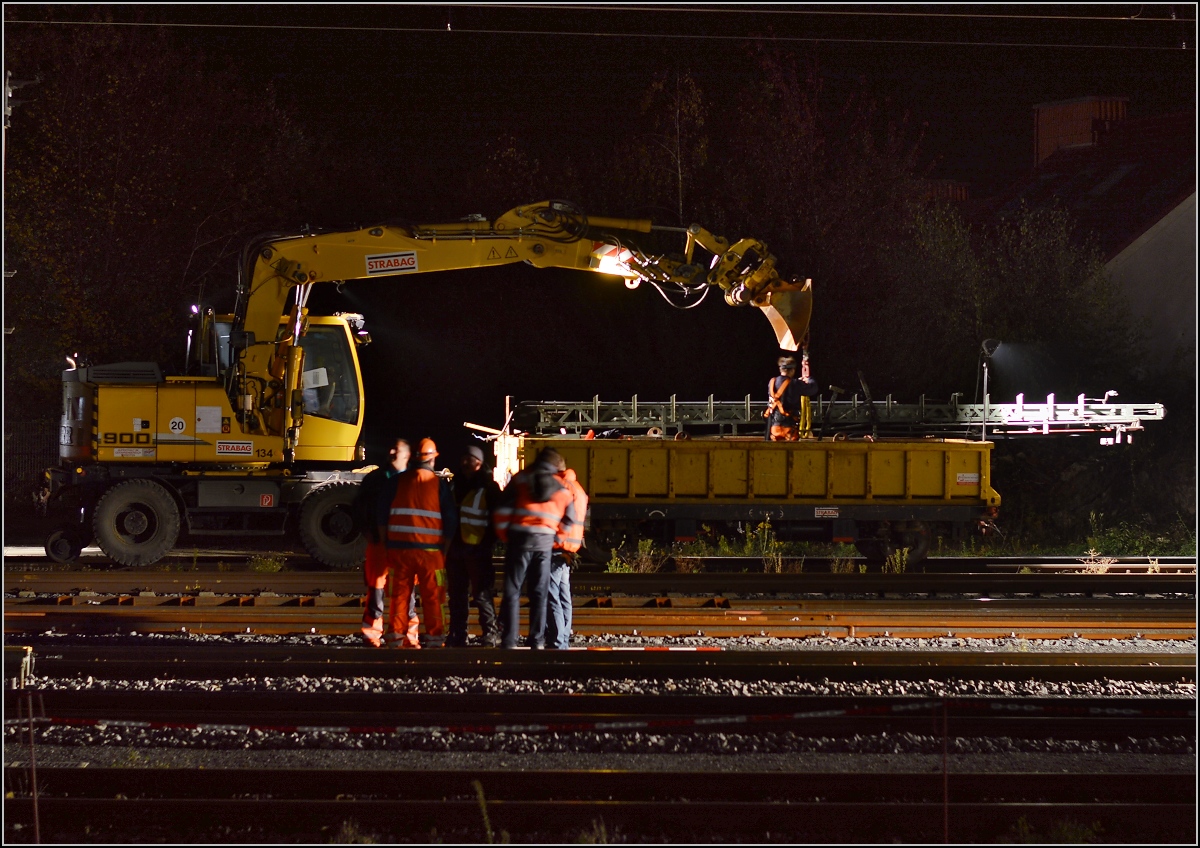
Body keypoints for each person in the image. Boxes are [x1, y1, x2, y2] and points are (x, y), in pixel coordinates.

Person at [494, 447, 578, 649]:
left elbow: (502, 508)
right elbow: (570, 517)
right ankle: (537, 640)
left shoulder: (521, 479)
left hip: (519, 539)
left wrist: (505, 534)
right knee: (539, 593)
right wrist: (558, 538)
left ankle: (509, 641)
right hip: (545, 542)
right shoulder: (561, 487)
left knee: (513, 591)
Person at [377, 438, 458, 648]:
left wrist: (387, 544)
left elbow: (382, 516)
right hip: (431, 553)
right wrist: (445, 550)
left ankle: (395, 636)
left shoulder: (396, 482)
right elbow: (450, 521)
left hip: (399, 550)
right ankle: (434, 638)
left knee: (400, 596)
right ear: (432, 459)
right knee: (433, 597)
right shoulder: (438, 484)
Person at [354, 438, 418, 648]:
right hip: (380, 542)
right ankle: (373, 633)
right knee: (376, 589)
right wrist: (367, 531)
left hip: (405, 543)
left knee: (406, 593)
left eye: (396, 449)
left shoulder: (415, 479)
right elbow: (359, 507)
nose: (390, 451)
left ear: (407, 455)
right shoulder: (374, 479)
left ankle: (406, 634)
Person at [445, 445, 502, 647]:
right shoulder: (453, 485)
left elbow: (496, 520)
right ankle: (458, 634)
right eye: (465, 459)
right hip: (455, 549)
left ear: (480, 462)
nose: (466, 463)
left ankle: (490, 633)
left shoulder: (489, 487)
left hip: (478, 550)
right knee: (457, 595)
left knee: (482, 595)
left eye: (471, 459)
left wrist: (486, 544)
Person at [545, 466, 588, 651]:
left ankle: (556, 641)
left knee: (551, 596)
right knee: (564, 597)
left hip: (557, 547)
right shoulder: (578, 488)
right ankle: (562, 639)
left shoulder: (561, 488)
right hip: (570, 549)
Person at [764, 353, 818, 441]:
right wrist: (808, 379)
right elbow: (813, 389)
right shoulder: (795, 383)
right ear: (792, 370)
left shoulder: (772, 382)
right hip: (789, 428)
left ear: (780, 369)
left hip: (774, 427)